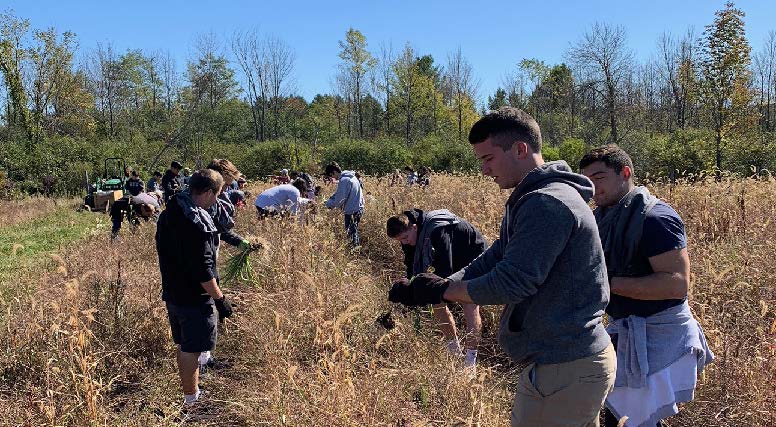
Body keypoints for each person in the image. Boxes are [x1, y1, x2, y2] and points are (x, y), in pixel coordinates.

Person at [389, 107, 615, 427]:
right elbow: (497, 256)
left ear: (520, 150)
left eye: (488, 159)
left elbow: (514, 281)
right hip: (557, 362)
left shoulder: (547, 202)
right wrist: (438, 286)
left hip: (568, 365)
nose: (483, 170)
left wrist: (445, 289)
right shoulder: (533, 197)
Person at [579, 145, 714, 427]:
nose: (592, 186)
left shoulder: (655, 219)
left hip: (658, 333)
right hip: (627, 329)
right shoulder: (601, 218)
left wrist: (604, 284)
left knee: (629, 419)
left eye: (599, 177)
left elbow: (677, 285)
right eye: (586, 178)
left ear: (625, 173)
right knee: (627, 418)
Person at [155, 169, 234, 407]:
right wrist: (220, 300)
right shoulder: (196, 224)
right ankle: (191, 401)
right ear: (209, 192)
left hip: (173, 291)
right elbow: (203, 270)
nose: (217, 200)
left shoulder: (172, 211)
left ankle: (193, 392)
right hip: (193, 297)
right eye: (217, 194)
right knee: (191, 349)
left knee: (186, 345)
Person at [386, 209, 487, 370]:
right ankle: (454, 351)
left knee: (469, 304)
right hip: (450, 258)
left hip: (472, 256)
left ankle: (470, 363)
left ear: (414, 227)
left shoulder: (437, 229)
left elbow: (446, 269)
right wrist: (411, 289)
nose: (404, 243)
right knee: (434, 300)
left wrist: (430, 289)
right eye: (400, 241)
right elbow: (412, 266)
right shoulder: (409, 236)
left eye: (405, 238)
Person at [324, 164, 364, 247]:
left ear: (334, 172)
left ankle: (354, 252)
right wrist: (332, 198)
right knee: (354, 231)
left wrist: (328, 204)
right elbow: (340, 194)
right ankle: (356, 250)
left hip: (351, 210)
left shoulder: (344, 180)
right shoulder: (351, 177)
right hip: (358, 207)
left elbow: (340, 200)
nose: (332, 178)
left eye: (331, 175)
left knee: (351, 234)